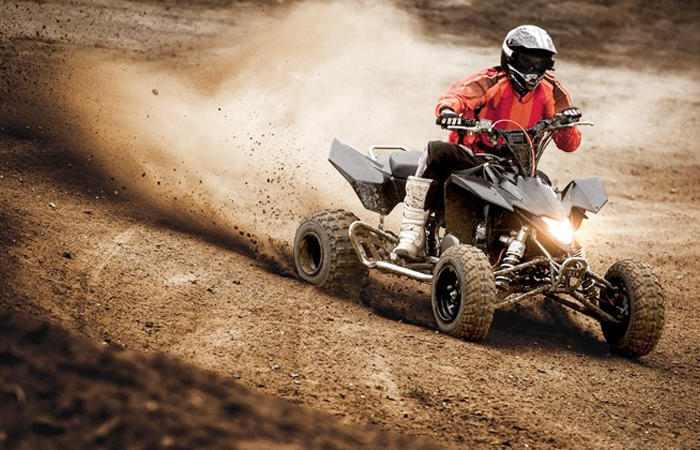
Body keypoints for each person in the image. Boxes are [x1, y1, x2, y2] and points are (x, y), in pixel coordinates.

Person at [393, 24, 582, 259]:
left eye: (541, 63)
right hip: (471, 159)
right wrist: (449, 112)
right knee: (437, 151)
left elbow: (569, 144)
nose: (534, 70)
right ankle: (412, 232)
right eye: (528, 62)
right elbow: (456, 97)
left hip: (516, 167)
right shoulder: (491, 81)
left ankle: (538, 251)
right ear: (511, 58)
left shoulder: (551, 91)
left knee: (542, 184)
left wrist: (566, 124)